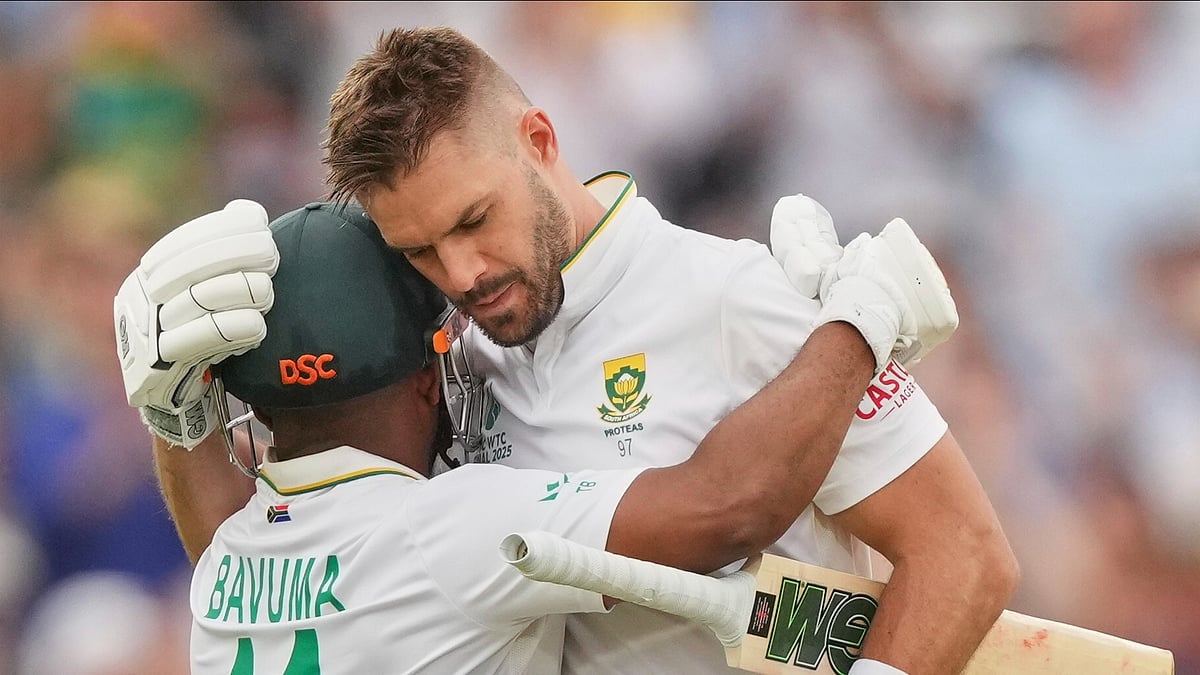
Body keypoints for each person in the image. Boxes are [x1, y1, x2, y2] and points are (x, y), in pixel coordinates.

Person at [122, 26, 1017, 675]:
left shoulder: (736, 296)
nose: (462, 272)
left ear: (540, 142)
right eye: (421, 251)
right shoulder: (447, 362)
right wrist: (176, 419)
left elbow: (965, 552)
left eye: (475, 220)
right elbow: (333, 574)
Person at [144, 200, 926, 673]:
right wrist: (857, 322)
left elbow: (212, 516)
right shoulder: (449, 526)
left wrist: (170, 421)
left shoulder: (225, 561)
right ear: (425, 377)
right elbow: (728, 506)